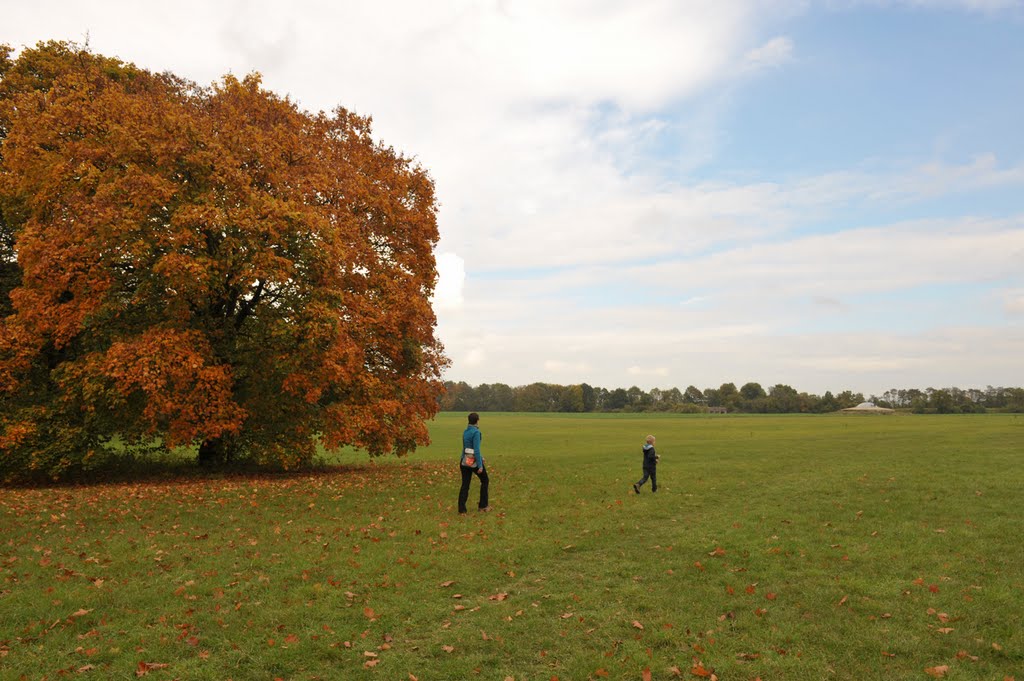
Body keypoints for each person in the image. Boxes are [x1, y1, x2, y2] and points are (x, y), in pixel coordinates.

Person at [458, 412, 490, 513]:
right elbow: (476, 449)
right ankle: (483, 506)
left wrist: (481, 457)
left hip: (464, 461)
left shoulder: (465, 431)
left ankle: (462, 510)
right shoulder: (476, 432)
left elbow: (466, 448)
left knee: (465, 485)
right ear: (477, 421)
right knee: (485, 480)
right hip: (474, 463)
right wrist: (480, 465)